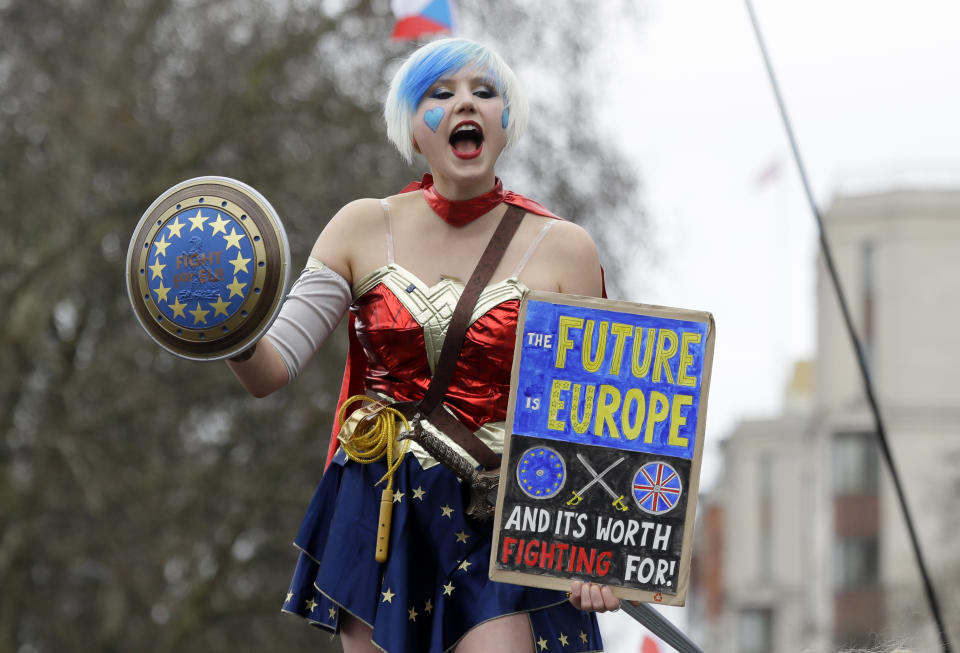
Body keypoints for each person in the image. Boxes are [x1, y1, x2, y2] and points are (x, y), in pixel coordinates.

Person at [228, 37, 619, 653]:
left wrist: (596, 550)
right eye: (441, 93)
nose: (466, 103)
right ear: (413, 129)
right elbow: (269, 368)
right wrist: (229, 327)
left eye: (484, 93)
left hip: (505, 517)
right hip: (383, 510)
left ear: (505, 123)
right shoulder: (360, 226)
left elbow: (600, 417)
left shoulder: (565, 247)